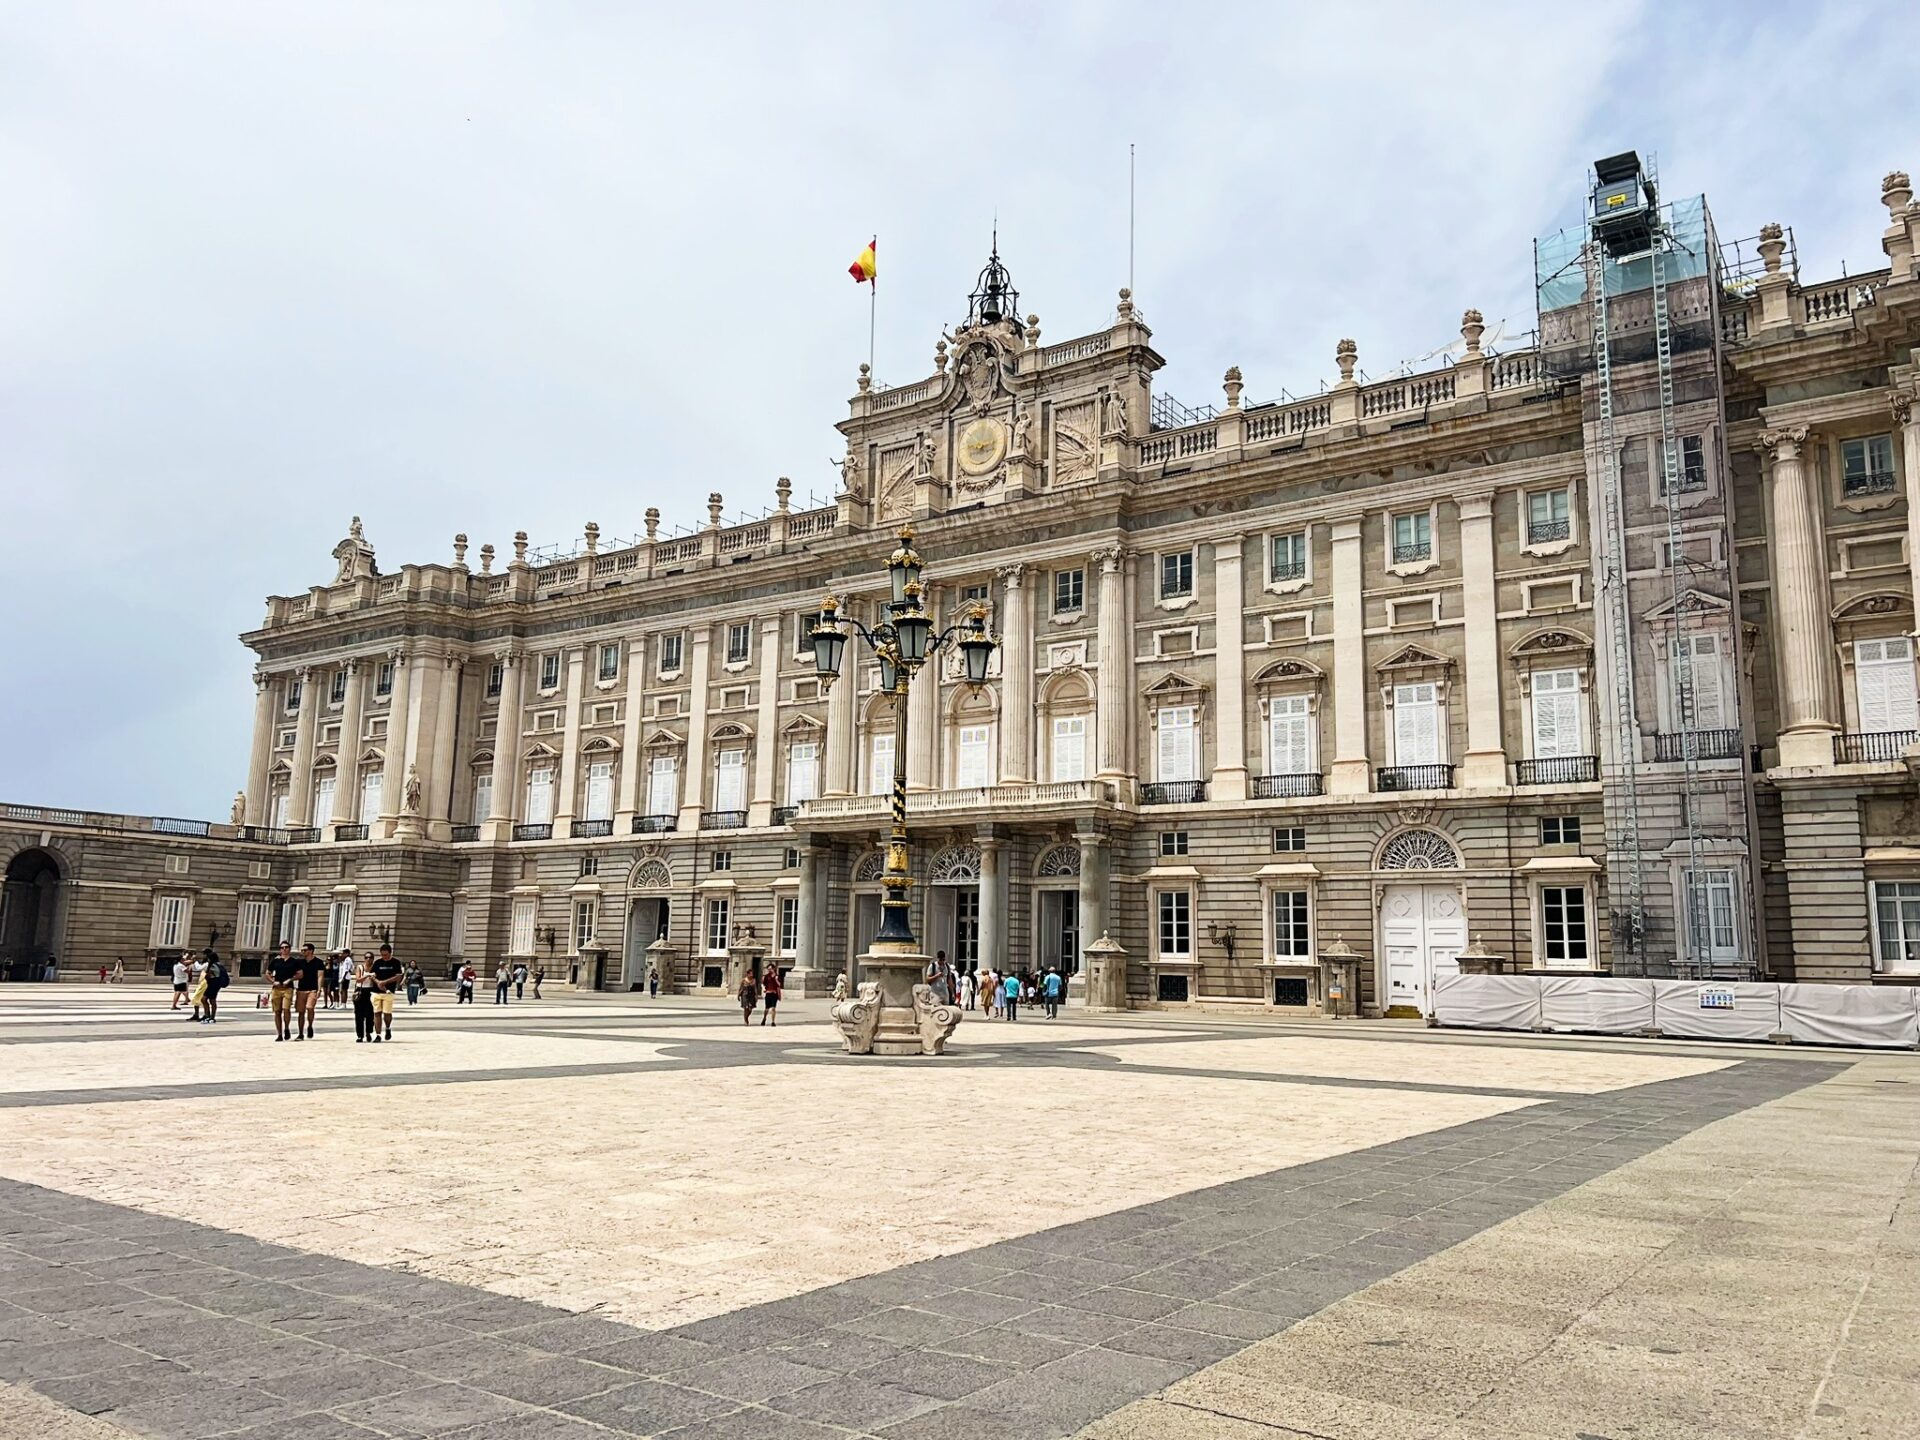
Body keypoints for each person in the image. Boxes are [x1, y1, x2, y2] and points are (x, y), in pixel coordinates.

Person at [370, 944, 403, 1041]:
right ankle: (378, 1034)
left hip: (388, 992)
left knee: (387, 1013)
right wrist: (378, 982)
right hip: (376, 991)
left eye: (386, 955)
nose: (384, 957)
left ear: (390, 953)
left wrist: (385, 982)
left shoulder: (396, 962)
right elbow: (372, 975)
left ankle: (388, 1027)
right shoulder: (377, 963)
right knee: (377, 1013)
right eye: (382, 955)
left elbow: (398, 977)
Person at [267, 942, 298, 1041]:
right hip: (276, 988)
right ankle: (279, 1034)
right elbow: (267, 973)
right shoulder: (275, 961)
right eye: (282, 947)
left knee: (286, 1009)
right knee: (277, 1011)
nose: (284, 949)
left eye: (286, 947)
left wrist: (290, 979)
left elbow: (300, 974)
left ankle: (287, 1028)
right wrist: (273, 981)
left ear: (289, 949)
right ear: (280, 949)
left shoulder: (293, 961)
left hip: (288, 988)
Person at [292, 943, 323, 1038]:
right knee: (301, 1012)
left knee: (310, 1008)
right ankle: (301, 1033)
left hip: (312, 989)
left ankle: (310, 1025)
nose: (302, 952)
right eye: (302, 950)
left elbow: (320, 976)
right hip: (301, 989)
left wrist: (319, 989)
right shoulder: (299, 962)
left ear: (311, 951)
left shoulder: (318, 962)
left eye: (304, 950)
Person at [351, 952, 377, 1041]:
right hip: (360, 991)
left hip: (371, 991)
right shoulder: (360, 967)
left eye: (370, 957)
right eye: (366, 957)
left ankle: (368, 1032)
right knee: (359, 1014)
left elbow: (377, 981)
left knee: (370, 1014)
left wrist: (374, 977)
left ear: (373, 959)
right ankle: (360, 1035)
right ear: (364, 958)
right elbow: (358, 979)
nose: (368, 959)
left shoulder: (375, 968)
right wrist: (367, 975)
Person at [201, 950, 228, 1023]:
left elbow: (209, 975)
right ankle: (208, 1015)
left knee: (210, 1000)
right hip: (215, 984)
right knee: (206, 999)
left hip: (213, 984)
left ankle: (211, 1016)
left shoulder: (213, 965)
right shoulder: (219, 964)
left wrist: (207, 976)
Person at [760, 961, 782, 1026]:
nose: (769, 970)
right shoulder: (766, 976)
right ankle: (764, 1018)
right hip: (768, 993)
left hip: (774, 994)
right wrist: (764, 988)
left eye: (770, 969)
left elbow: (779, 985)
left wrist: (776, 980)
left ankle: (773, 1021)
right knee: (766, 1008)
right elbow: (763, 984)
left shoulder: (777, 976)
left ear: (773, 969)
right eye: (768, 969)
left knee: (773, 1008)